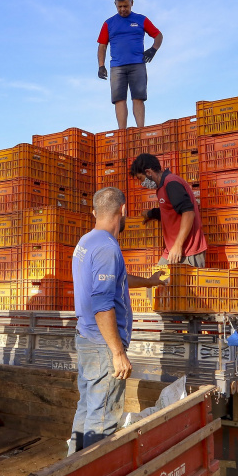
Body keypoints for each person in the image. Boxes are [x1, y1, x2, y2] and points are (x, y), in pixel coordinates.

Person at [69, 187, 167, 455]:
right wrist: (117, 352)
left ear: (94, 212)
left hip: (87, 339)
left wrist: (149, 282)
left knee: (87, 409)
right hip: (102, 346)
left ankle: (71, 469)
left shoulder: (87, 241)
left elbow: (116, 282)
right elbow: (102, 305)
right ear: (123, 210)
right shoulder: (106, 248)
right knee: (102, 418)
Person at [97, 0, 164, 129]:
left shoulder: (141, 19)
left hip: (137, 64)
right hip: (117, 67)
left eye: (126, 6)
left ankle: (140, 130)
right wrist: (101, 66)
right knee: (119, 99)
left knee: (138, 97)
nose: (123, 9)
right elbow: (102, 46)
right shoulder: (109, 23)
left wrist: (153, 49)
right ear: (115, 4)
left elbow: (158, 35)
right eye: (120, 6)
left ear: (132, 3)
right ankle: (122, 132)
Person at [130, 153, 208, 266]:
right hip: (172, 250)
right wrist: (150, 213)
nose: (142, 183)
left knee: (165, 276)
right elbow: (170, 210)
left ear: (148, 172)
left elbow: (188, 213)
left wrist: (178, 245)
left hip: (187, 251)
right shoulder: (162, 187)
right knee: (158, 275)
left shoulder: (171, 183)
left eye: (141, 178)